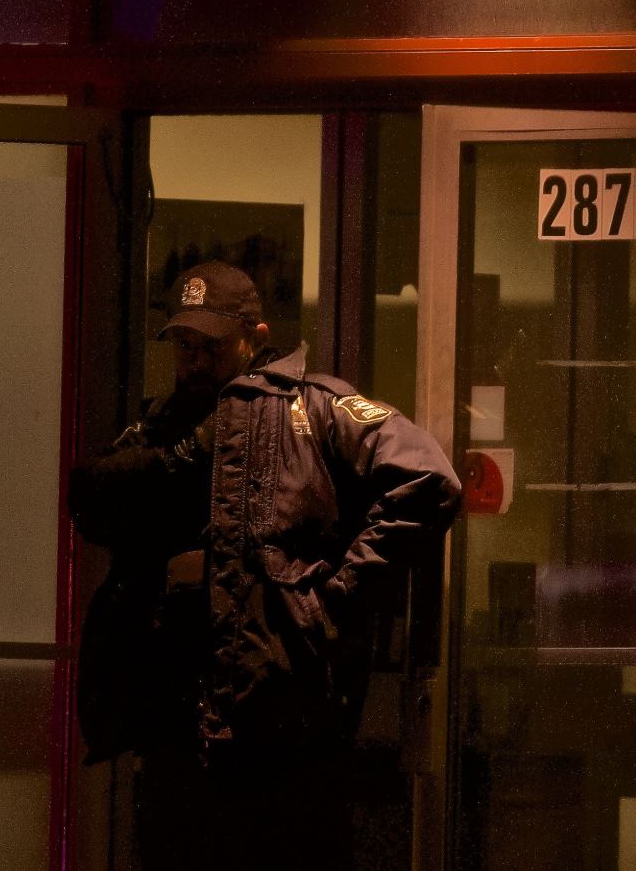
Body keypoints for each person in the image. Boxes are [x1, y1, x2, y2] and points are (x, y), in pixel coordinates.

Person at [69, 260, 461, 871]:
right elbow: (95, 506)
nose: (194, 361)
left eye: (212, 346)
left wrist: (331, 600)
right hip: (178, 731)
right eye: (184, 346)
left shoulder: (314, 409)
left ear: (256, 336)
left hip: (283, 732)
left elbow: (427, 480)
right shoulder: (165, 423)